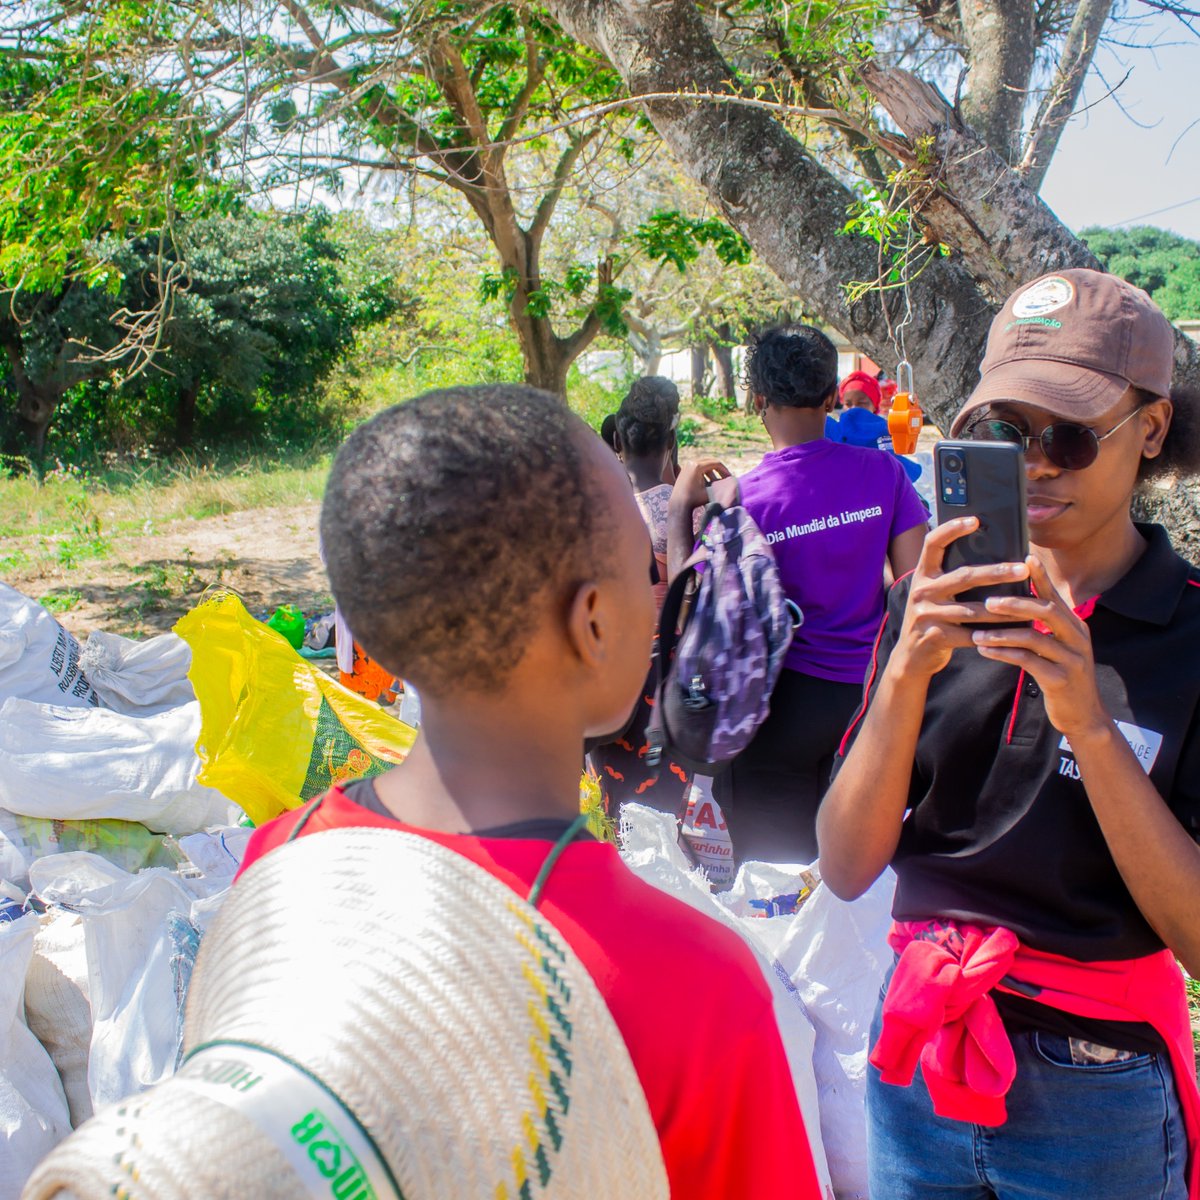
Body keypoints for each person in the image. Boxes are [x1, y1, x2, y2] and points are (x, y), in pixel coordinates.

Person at [238, 385, 823, 1199]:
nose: (658, 588)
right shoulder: (698, 987)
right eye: (647, 570)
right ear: (592, 624)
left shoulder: (282, 854)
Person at [818, 269, 1200, 1200]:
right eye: (1006, 434)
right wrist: (907, 669)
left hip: (1097, 1091)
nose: (1036, 465)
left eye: (1069, 437)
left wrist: (1090, 728)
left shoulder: (1189, 633)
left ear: (1149, 431)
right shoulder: (935, 604)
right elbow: (845, 864)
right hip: (918, 1060)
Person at [668, 325, 928, 865]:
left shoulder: (745, 500)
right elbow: (914, 593)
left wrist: (680, 512)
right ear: (832, 394)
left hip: (775, 712)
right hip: (869, 709)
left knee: (776, 885)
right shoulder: (885, 474)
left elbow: (692, 622)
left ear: (758, 400)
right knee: (857, 883)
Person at [588, 380, 692, 820]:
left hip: (605, 670)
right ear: (671, 442)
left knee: (610, 803)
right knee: (663, 813)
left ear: (616, 441)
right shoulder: (689, 508)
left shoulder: (590, 507)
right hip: (666, 677)